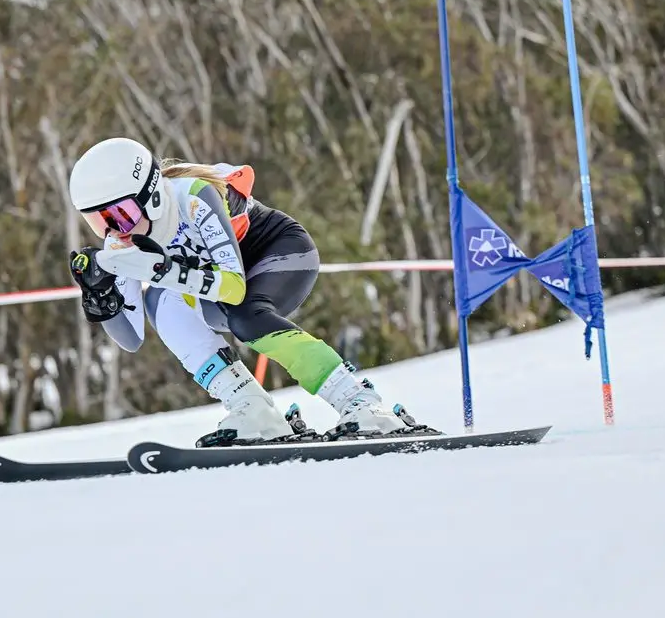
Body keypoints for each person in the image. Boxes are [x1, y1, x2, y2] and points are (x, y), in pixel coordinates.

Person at [65, 136, 438, 447]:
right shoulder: (121, 241)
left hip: (278, 254)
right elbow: (131, 339)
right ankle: (252, 408)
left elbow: (232, 287)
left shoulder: (192, 197)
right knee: (158, 301)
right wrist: (100, 298)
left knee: (247, 316)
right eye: (97, 221)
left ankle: (360, 400)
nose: (114, 231)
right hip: (220, 285)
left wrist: (163, 269)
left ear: (152, 195)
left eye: (121, 215)